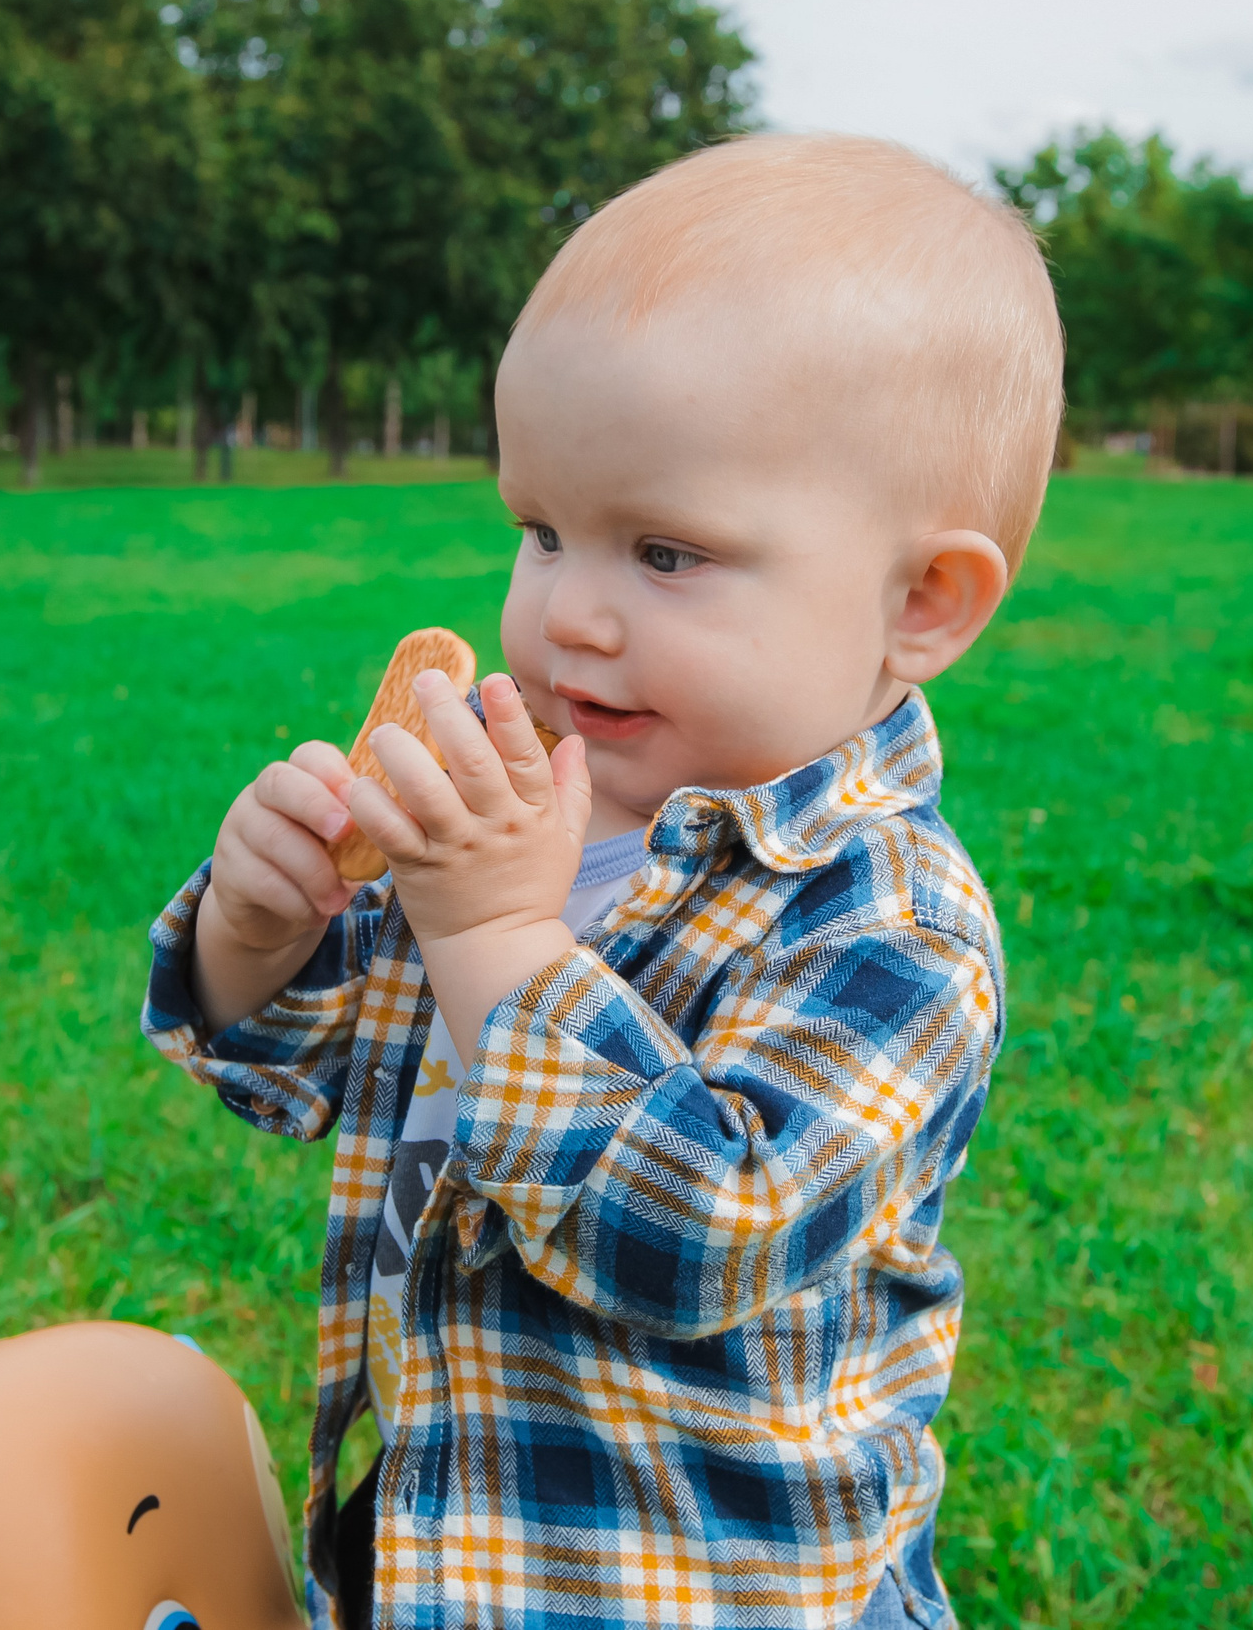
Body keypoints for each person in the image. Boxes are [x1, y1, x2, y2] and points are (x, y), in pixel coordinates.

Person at [142, 132, 1064, 1630]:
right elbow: (294, 1063)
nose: (569, 611)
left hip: (708, 1593)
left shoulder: (892, 923)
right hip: (454, 1546)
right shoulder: (522, 805)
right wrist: (261, 926)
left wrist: (497, 933)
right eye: (543, 531)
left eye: (667, 553)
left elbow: (698, 1235)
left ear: (922, 601)